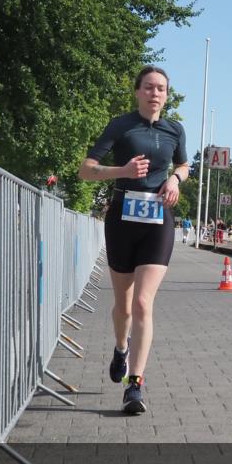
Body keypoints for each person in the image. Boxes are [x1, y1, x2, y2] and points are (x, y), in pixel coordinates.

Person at [78, 66, 189, 414]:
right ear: (137, 91)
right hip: (122, 220)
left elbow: (185, 165)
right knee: (123, 306)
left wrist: (174, 179)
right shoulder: (121, 125)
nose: (155, 93)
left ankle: (135, 385)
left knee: (143, 303)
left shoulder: (175, 130)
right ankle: (120, 347)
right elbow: (85, 169)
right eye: (149, 87)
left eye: (161, 89)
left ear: (166, 96)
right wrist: (121, 172)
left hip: (158, 220)